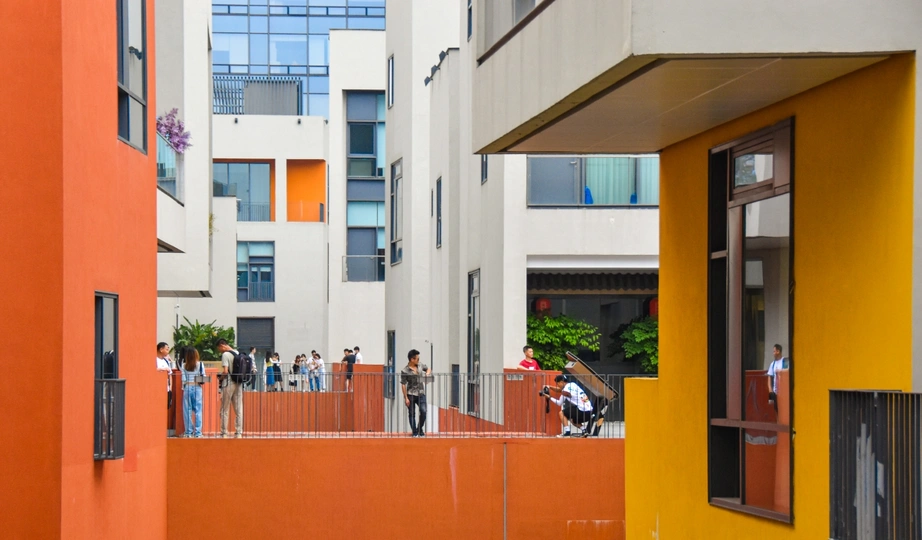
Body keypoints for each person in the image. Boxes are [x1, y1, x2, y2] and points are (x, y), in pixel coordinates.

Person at [218, 339, 245, 438]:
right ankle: (238, 432)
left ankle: (224, 432)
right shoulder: (237, 352)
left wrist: (220, 378)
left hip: (228, 383)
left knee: (224, 408)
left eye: (219, 348)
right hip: (238, 382)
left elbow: (225, 371)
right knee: (239, 409)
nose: (220, 351)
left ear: (222, 345)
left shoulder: (225, 355)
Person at [400, 349, 431, 437]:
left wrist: (427, 374)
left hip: (421, 393)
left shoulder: (420, 365)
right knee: (412, 414)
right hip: (411, 394)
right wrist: (406, 398)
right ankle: (415, 432)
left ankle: (419, 429)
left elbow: (428, 369)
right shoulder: (405, 370)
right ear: (412, 359)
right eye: (417, 359)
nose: (418, 360)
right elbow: (403, 384)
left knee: (423, 411)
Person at [180, 346, 206, 438]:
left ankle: (188, 432)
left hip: (187, 387)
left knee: (187, 410)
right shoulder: (200, 364)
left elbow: (183, 379)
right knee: (198, 410)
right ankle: (198, 433)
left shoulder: (184, 365)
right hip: (197, 388)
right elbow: (204, 377)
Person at [766, 344, 790, 414]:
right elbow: (769, 377)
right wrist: (770, 390)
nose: (773, 353)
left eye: (774, 351)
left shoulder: (785, 362)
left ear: (778, 351)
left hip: (784, 391)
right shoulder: (772, 364)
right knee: (777, 410)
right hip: (776, 392)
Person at [156, 342, 174, 410]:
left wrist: (170, 388)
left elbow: (170, 375)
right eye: (167, 349)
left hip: (167, 389)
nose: (168, 351)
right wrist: (162, 369)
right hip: (158, 389)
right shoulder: (154, 360)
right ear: (161, 349)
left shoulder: (166, 361)